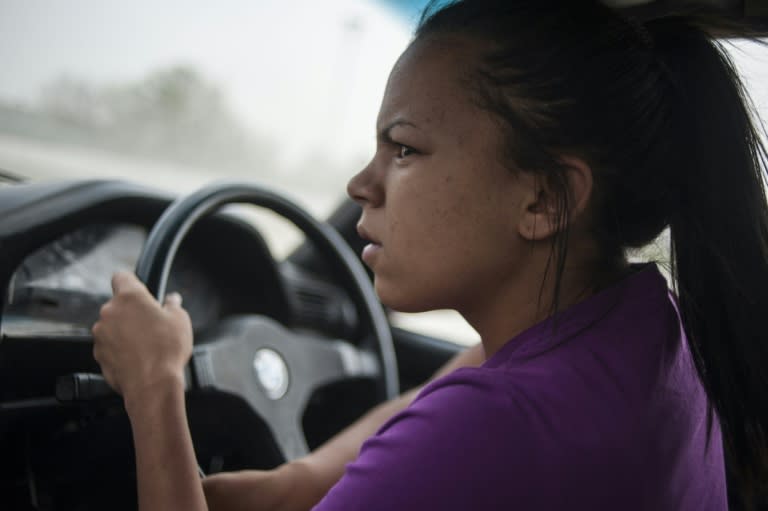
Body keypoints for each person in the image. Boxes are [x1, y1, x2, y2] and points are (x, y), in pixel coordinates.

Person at [91, 0, 768, 509]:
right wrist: (294, 483)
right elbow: (477, 363)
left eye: (405, 149)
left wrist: (155, 385)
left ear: (545, 200)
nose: (361, 184)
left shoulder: (492, 429)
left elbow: (473, 413)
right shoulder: (654, 325)